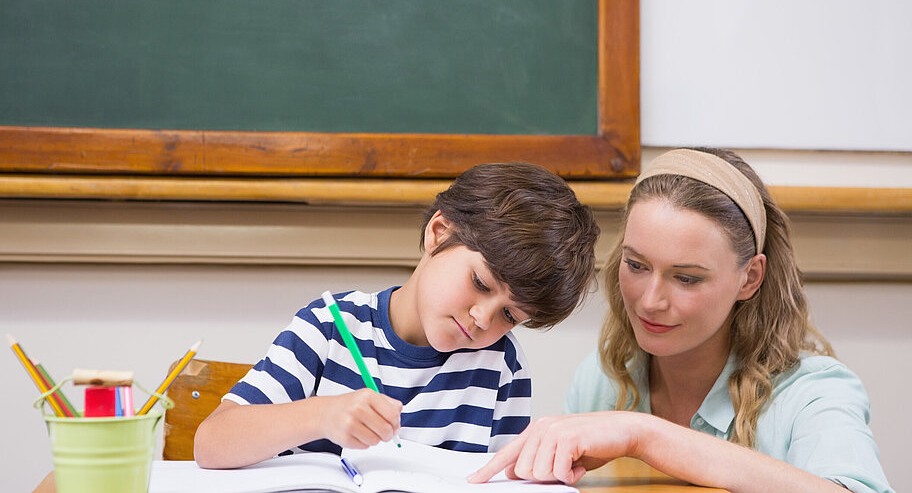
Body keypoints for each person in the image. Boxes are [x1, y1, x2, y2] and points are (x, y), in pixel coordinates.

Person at [469, 148, 894, 493]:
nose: (650, 301)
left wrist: (645, 436)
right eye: (636, 266)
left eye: (687, 278)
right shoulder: (603, 380)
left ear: (750, 278)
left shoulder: (814, 393)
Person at [193, 162, 600, 469]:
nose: (482, 318)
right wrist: (320, 415)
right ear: (438, 233)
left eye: (509, 315)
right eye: (480, 282)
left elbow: (499, 479)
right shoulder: (330, 327)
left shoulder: (502, 367)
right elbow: (211, 444)